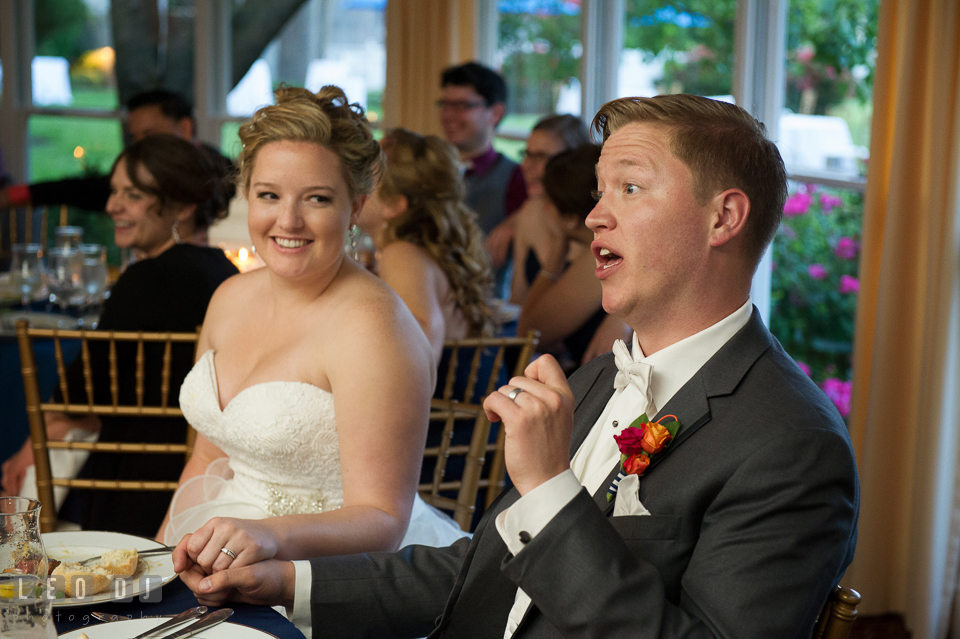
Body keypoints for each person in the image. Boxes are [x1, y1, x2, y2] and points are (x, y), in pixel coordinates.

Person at [172, 94, 860, 638]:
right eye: (598, 191)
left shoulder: (792, 445)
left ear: (724, 218)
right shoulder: (592, 384)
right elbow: (474, 574)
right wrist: (288, 581)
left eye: (628, 188)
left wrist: (550, 488)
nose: (594, 216)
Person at [159, 87, 468, 569]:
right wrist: (162, 564)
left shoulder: (375, 328)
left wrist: (268, 538)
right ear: (248, 197)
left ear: (356, 207)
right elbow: (205, 461)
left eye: (317, 199)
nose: (288, 220)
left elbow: (384, 519)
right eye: (269, 195)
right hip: (220, 548)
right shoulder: (228, 298)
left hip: (336, 574)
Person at [1, 134, 238, 536]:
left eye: (133, 195)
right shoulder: (228, 276)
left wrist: (35, 441)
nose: (112, 206)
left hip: (128, 487)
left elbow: (83, 391)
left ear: (181, 206)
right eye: (114, 192)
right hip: (210, 485)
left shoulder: (144, 279)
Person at [356, 127, 495, 364]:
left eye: (363, 180)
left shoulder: (402, 255)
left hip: (448, 401)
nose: (350, 186)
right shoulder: (413, 251)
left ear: (394, 205)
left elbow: (422, 348)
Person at [0, 90, 230, 214]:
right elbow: (85, 190)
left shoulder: (220, 172)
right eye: (134, 137)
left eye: (149, 135)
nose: (138, 146)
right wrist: (17, 194)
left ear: (185, 128)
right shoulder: (147, 169)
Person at [515, 145, 617, 375]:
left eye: (547, 203)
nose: (543, 210)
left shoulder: (599, 256)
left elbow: (529, 334)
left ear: (570, 219)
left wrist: (554, 256)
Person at [438, 62, 526, 295]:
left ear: (495, 113)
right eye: (445, 105)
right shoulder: (428, 171)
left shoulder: (516, 178)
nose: (448, 115)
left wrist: (520, 218)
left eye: (462, 105)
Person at [508, 114, 590, 305]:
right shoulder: (529, 212)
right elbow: (517, 302)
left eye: (540, 157)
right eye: (527, 154)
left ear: (571, 161)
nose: (526, 166)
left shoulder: (591, 225)